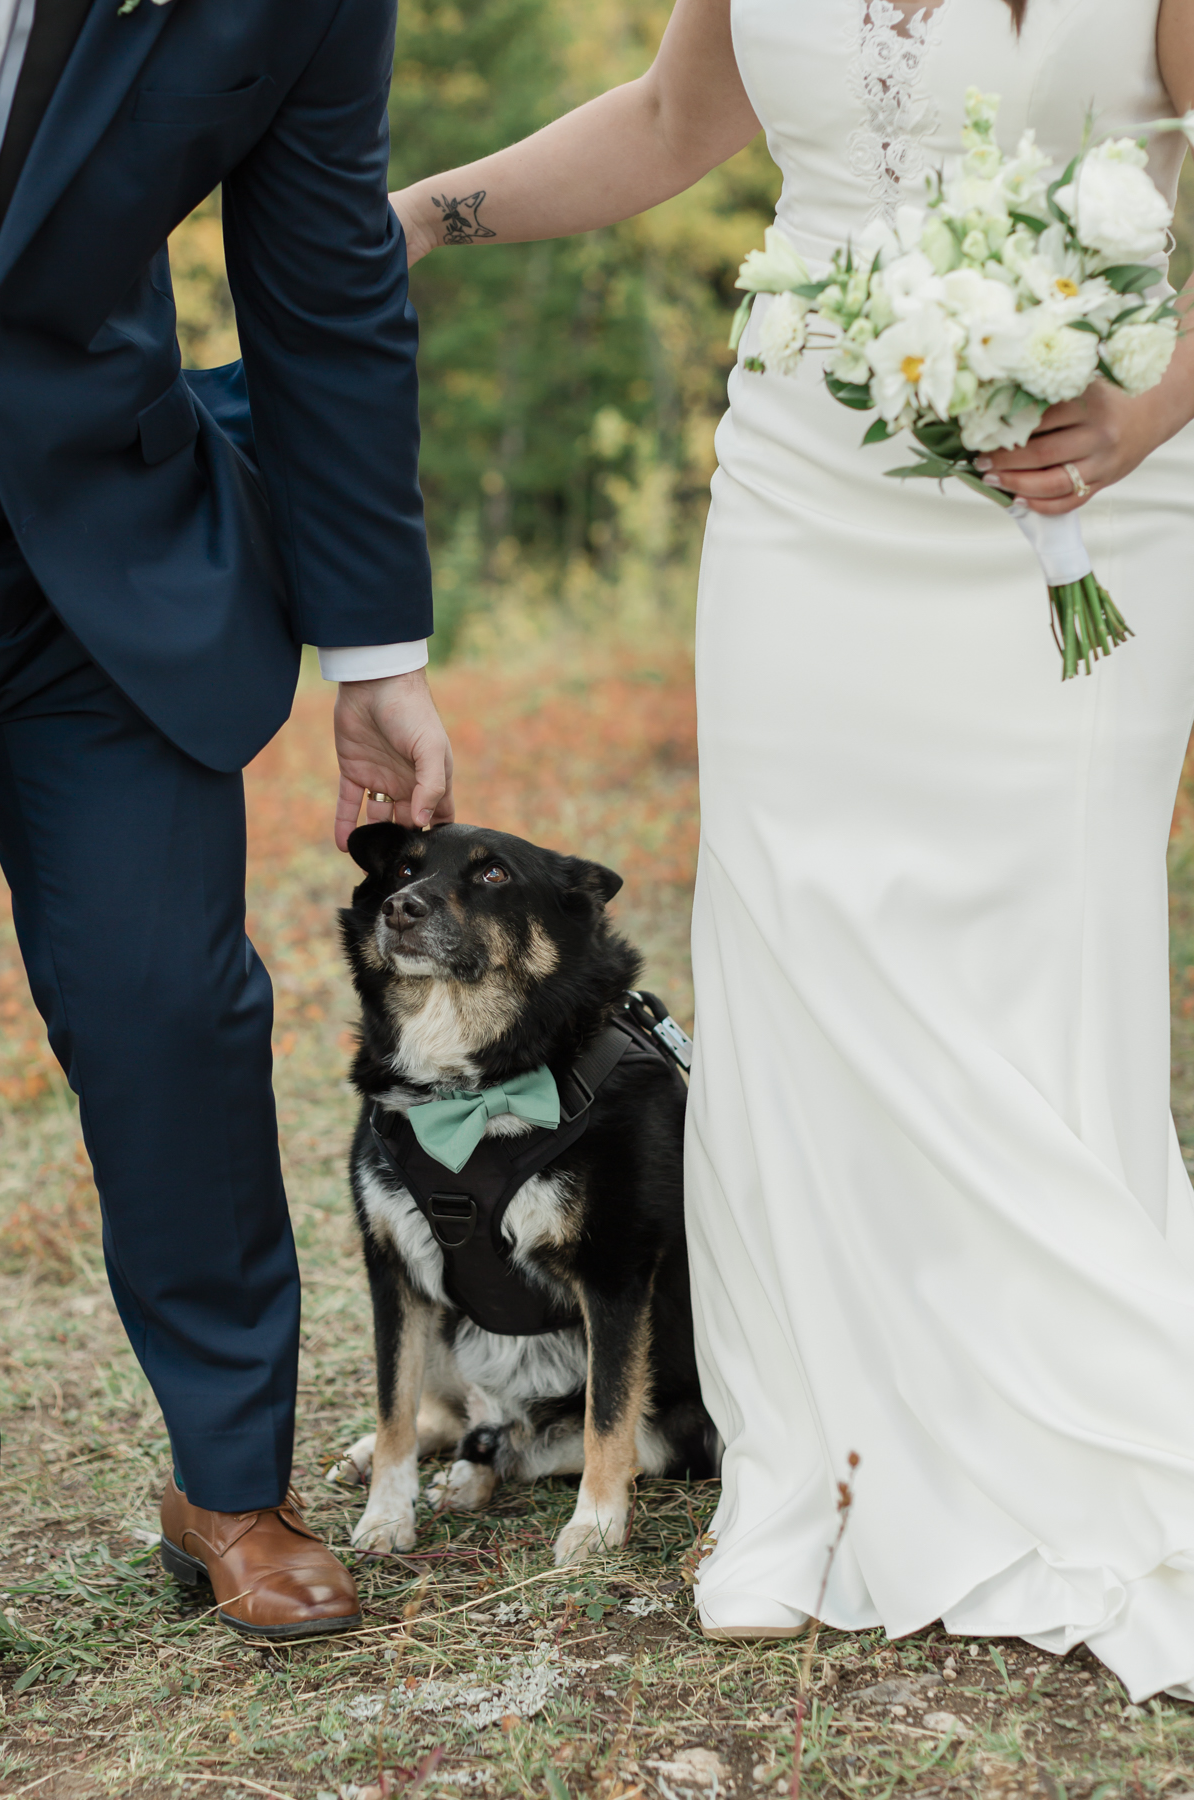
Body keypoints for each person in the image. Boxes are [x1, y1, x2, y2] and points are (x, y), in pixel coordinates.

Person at [393, 0, 1194, 1703]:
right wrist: (420, 215)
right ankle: (829, 1434)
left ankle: (1058, 1394)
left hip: (1082, 479)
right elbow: (678, 121)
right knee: (808, 935)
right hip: (809, 491)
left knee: (1033, 933)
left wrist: (1145, 414)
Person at [0, 0, 452, 1763]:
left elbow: (321, 277)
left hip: (113, 555)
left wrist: (377, 644)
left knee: (172, 1020)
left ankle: (230, 1488)